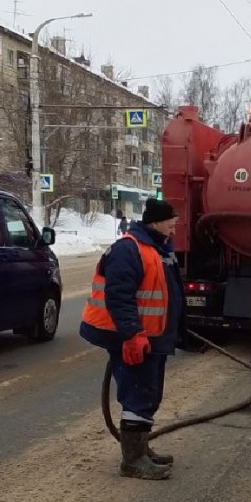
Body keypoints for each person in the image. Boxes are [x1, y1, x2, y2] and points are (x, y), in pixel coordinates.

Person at [80, 199, 185, 480]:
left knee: (148, 392)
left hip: (152, 334)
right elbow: (119, 296)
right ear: (155, 222)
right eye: (171, 220)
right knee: (138, 393)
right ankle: (133, 460)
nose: (176, 224)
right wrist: (132, 334)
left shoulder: (158, 248)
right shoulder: (129, 249)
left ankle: (141, 449)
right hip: (132, 336)